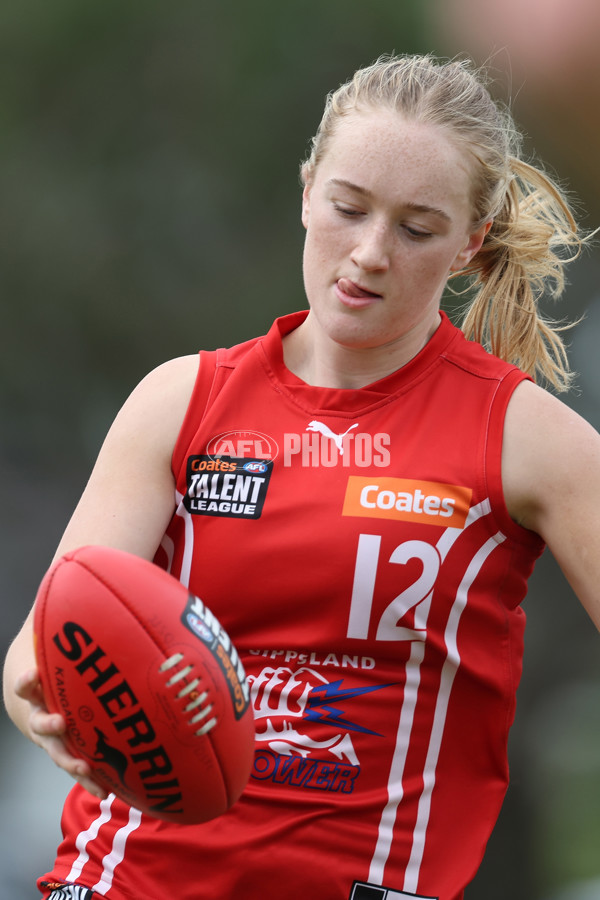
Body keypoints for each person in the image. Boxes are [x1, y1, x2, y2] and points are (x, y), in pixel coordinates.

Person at [3, 52, 600, 900]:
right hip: (128, 879)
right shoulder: (183, 401)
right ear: (307, 188)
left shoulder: (525, 438)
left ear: (470, 242)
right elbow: (44, 636)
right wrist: (39, 698)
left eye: (416, 228)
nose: (368, 253)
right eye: (347, 207)